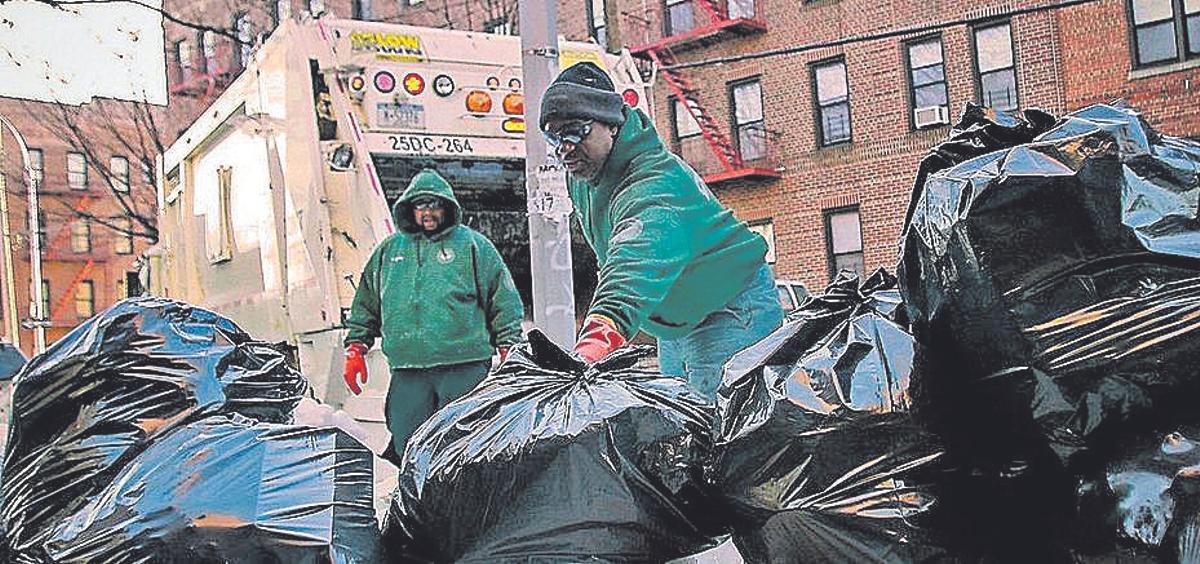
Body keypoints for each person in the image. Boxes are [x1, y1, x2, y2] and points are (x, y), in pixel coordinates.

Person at [540, 62, 784, 399]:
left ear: (611, 125)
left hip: (732, 304)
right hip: (676, 319)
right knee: (681, 423)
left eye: (574, 131)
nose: (563, 147)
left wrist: (589, 350)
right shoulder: (584, 176)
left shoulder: (656, 184)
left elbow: (632, 264)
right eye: (553, 135)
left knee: (725, 431)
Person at [342, 168, 524, 456]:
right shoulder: (389, 251)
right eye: (420, 205)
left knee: (464, 443)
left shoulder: (474, 246)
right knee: (408, 441)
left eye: (434, 204)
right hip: (408, 370)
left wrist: (509, 347)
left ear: (447, 207)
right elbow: (366, 301)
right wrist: (355, 346)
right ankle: (417, 499)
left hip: (464, 367)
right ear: (410, 209)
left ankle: (464, 500)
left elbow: (502, 300)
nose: (427, 212)